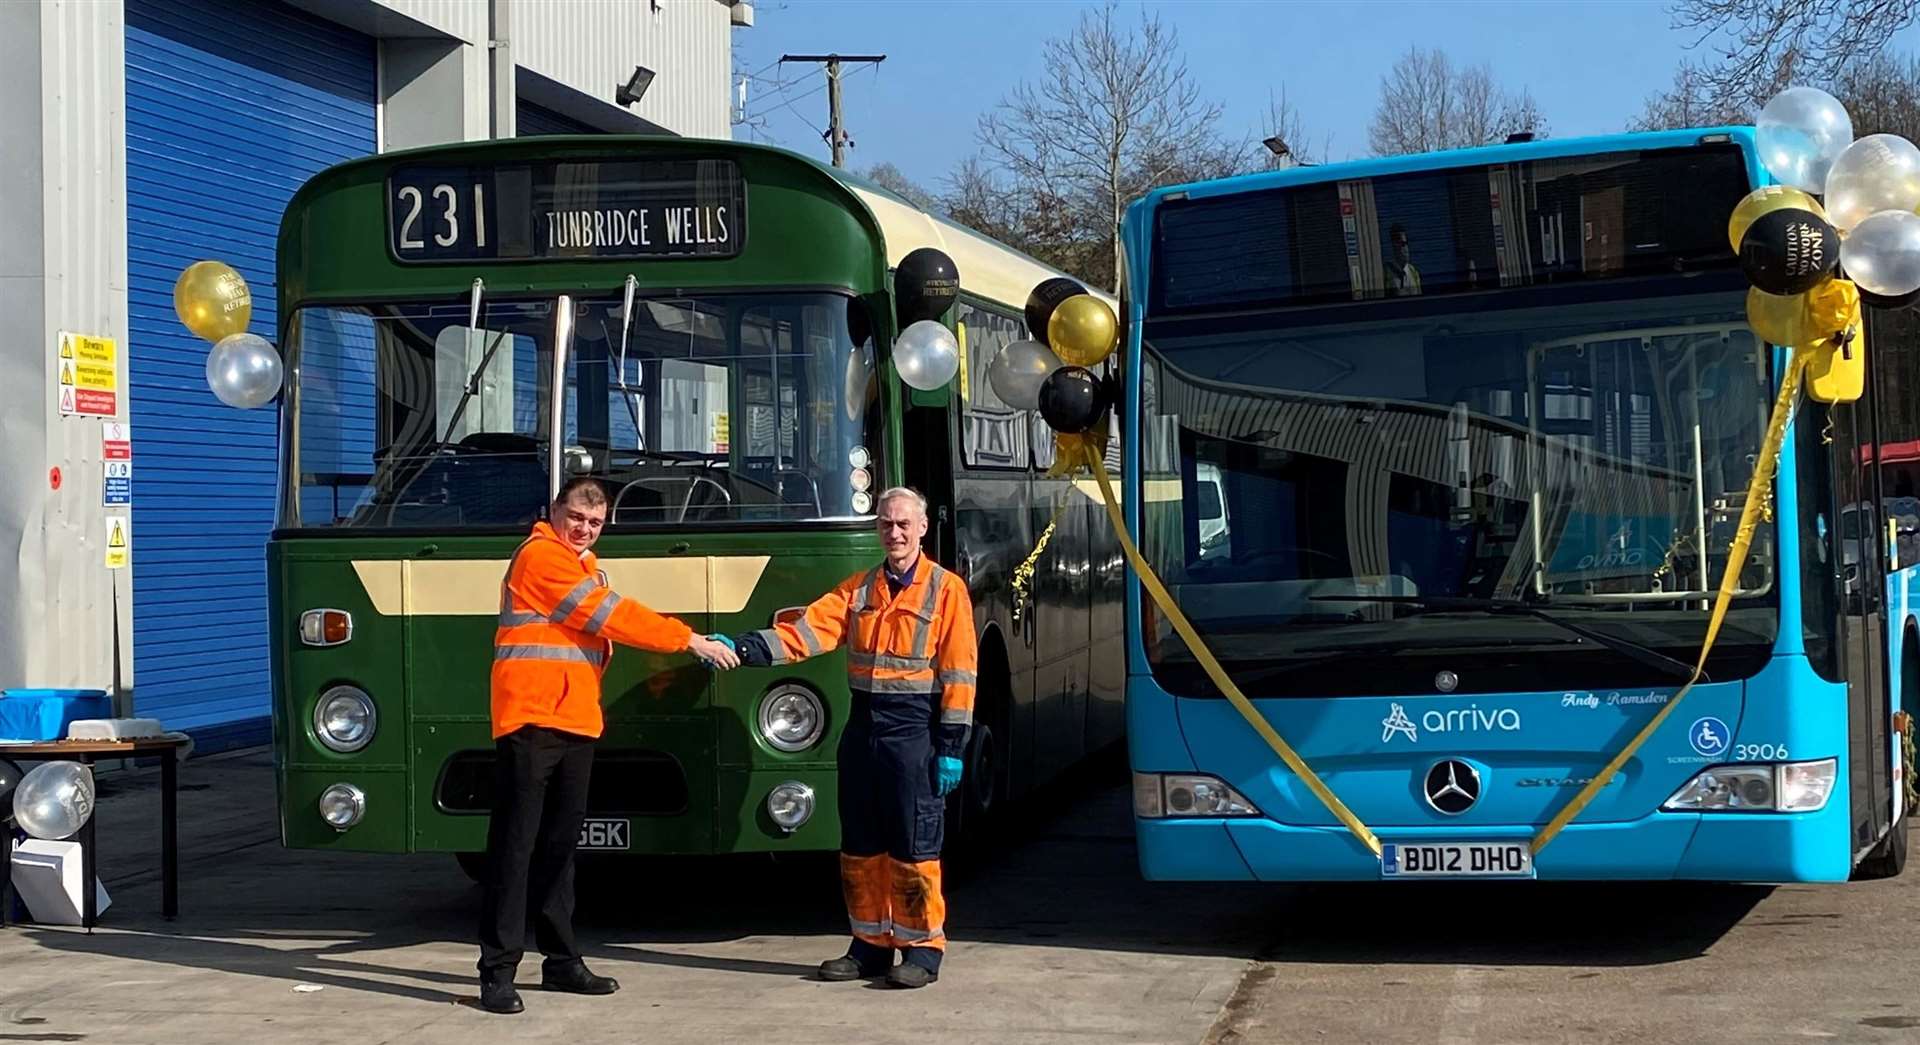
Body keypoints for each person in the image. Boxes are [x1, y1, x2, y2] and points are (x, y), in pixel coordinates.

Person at [478, 477, 740, 1015]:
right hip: (530, 720)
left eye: (595, 523)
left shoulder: (583, 566)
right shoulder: (540, 559)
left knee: (559, 847)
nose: (584, 528)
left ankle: (560, 961)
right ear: (554, 511)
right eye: (576, 517)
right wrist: (689, 639)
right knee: (515, 848)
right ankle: (498, 972)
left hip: (574, 721)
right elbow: (611, 616)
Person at [726, 487, 977, 989]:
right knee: (861, 846)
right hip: (863, 729)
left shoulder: (946, 591)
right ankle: (869, 945)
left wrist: (950, 748)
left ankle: (922, 949)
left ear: (923, 528)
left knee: (913, 846)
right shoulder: (859, 590)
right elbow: (806, 632)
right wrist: (744, 646)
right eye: (886, 524)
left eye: (904, 524)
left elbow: (960, 671)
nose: (895, 533)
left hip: (915, 733)